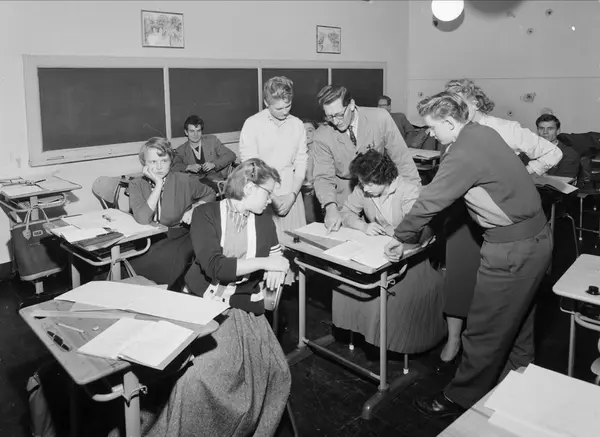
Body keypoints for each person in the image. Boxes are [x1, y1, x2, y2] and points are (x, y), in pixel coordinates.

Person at [384, 92, 552, 417]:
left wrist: (401, 236)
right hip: (536, 241)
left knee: (483, 329)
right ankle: (517, 388)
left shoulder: (463, 153)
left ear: (449, 122)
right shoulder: (481, 132)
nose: (430, 133)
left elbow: (431, 200)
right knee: (519, 324)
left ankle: (460, 398)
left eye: (432, 127)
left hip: (511, 249)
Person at [134, 159, 292, 437]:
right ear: (249, 188)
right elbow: (216, 267)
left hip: (240, 305)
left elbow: (277, 254)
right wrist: (266, 263)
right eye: (268, 193)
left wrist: (279, 266)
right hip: (200, 302)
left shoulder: (264, 219)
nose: (271, 200)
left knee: (276, 373)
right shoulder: (205, 214)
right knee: (194, 379)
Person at [436, 79, 563, 367]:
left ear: (475, 102)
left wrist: (524, 174)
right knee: (459, 275)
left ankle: (498, 352)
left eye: (458, 103)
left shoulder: (504, 128)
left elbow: (553, 153)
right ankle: (454, 338)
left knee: (500, 292)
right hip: (462, 213)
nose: (452, 109)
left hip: (502, 221)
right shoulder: (452, 128)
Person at [337, 149, 446, 355]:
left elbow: (414, 231)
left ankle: (390, 343)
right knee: (346, 285)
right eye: (362, 183)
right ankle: (362, 334)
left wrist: (387, 230)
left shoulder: (409, 191)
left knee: (389, 297)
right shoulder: (364, 187)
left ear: (384, 178)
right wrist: (362, 226)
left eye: (369, 184)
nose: (364, 188)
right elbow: (346, 212)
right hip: (376, 254)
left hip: (412, 259)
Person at [312, 85, 420, 234]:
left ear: (351, 105)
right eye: (329, 117)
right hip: (343, 195)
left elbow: (402, 159)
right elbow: (323, 177)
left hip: (379, 188)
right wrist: (330, 207)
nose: (335, 121)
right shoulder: (322, 135)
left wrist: (415, 196)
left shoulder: (380, 118)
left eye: (339, 115)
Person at [128, 137, 216, 289]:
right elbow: (143, 219)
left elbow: (210, 193)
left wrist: (195, 207)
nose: (159, 167)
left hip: (176, 235)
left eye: (164, 160)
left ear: (171, 161)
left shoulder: (184, 180)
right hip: (146, 236)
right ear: (144, 163)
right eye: (153, 162)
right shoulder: (136, 184)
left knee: (162, 266)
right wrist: (158, 185)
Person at [239, 76, 307, 244]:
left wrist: (292, 196)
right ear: (266, 102)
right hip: (263, 197)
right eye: (278, 108)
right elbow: (250, 166)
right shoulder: (252, 124)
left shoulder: (297, 124)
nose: (285, 112)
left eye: (288, 106)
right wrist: (273, 197)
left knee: (296, 248)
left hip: (292, 195)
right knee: (268, 248)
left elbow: (301, 162)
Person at [172, 114, 237, 193]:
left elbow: (231, 155)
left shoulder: (212, 141)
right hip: (194, 185)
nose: (195, 135)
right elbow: (174, 167)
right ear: (186, 132)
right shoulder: (181, 150)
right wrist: (188, 167)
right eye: (192, 131)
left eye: (198, 131)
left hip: (215, 182)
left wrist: (214, 164)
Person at [536, 113, 580, 179]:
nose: (545, 132)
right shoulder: (528, 151)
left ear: (558, 131)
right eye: (541, 128)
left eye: (550, 129)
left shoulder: (569, 154)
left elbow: (562, 181)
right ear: (537, 131)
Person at [301, 119, 322, 223]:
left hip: (321, 196)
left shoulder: (323, 153)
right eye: (303, 130)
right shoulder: (299, 155)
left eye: (310, 130)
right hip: (304, 196)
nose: (306, 134)